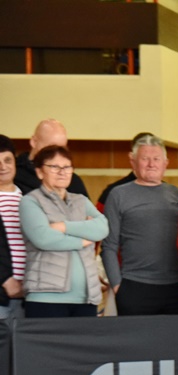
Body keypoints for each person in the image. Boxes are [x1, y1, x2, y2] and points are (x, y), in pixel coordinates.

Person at [101, 134, 178, 316]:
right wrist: (118, 286)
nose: (151, 164)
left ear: (165, 163)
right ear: (133, 162)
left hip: (177, 288)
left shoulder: (177, 194)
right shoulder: (118, 195)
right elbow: (108, 246)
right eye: (145, 159)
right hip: (134, 286)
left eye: (156, 159)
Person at [18, 145, 109, 317]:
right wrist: (82, 240)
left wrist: (63, 227)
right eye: (54, 167)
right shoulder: (30, 201)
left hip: (86, 297)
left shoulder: (81, 200)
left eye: (67, 167)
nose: (62, 172)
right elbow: (43, 238)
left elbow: (102, 228)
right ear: (39, 172)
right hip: (46, 297)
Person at [15, 119, 90, 198]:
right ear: (34, 142)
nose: (57, 155)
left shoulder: (73, 180)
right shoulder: (15, 174)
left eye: (61, 149)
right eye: (50, 149)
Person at [96, 131, 153, 212]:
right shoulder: (112, 192)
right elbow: (97, 218)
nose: (151, 164)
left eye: (155, 158)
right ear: (132, 157)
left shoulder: (169, 192)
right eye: (145, 157)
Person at [0, 135, 25, 318]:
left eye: (7, 160)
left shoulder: (30, 198)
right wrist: (4, 278)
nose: (3, 167)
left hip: (29, 293)